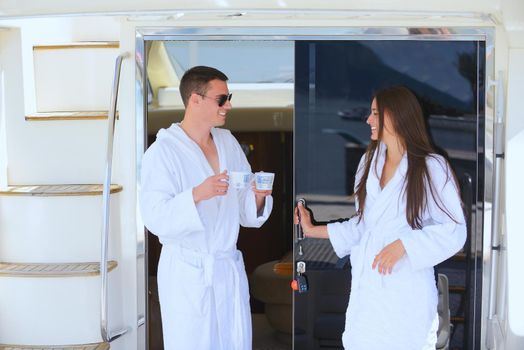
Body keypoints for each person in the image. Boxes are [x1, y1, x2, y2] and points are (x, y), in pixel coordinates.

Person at [295, 86, 466, 350]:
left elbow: (454, 230)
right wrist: (312, 229)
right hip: (368, 297)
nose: (368, 120)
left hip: (406, 295)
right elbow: (365, 227)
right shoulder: (369, 164)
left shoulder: (431, 167)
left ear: (396, 116)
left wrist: (405, 245)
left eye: (375, 113)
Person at [140, 66, 273, 350]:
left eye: (229, 97)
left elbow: (245, 210)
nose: (229, 105)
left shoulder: (228, 144)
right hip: (188, 273)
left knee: (233, 341)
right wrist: (197, 194)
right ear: (195, 100)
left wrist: (259, 197)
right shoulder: (162, 153)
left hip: (225, 268)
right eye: (221, 99)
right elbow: (154, 216)